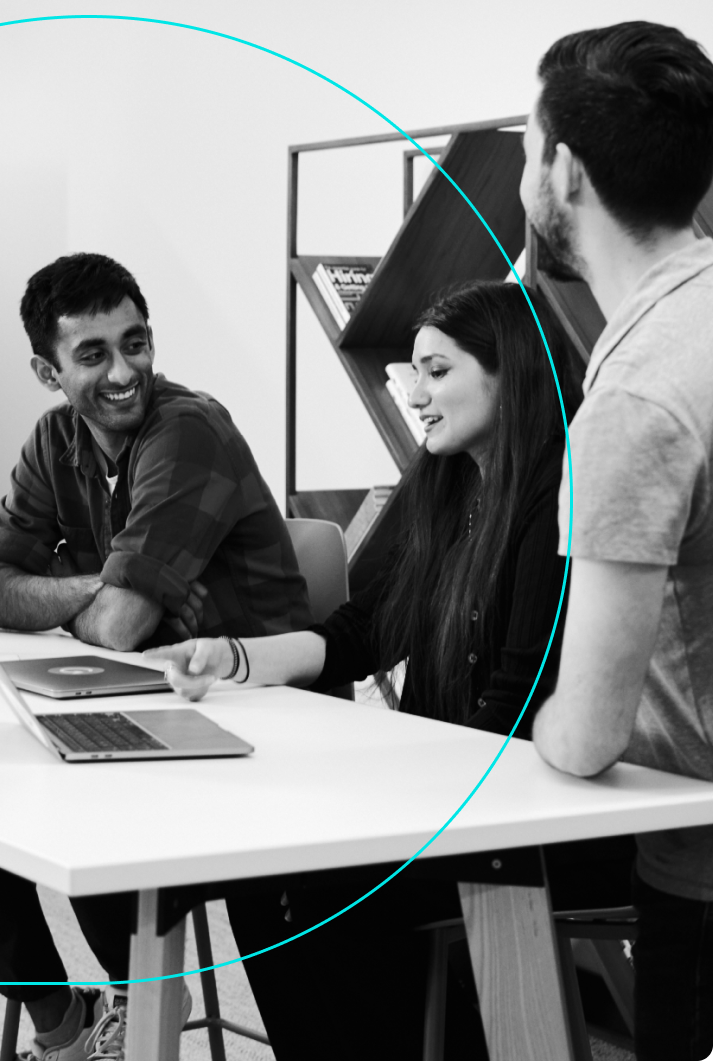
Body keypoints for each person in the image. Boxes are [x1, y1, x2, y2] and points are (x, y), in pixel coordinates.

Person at [152, 281, 631, 1059]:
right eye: (415, 375)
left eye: (437, 372)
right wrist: (232, 659)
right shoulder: (443, 480)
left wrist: (394, 795)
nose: (417, 396)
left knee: (312, 891)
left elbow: (516, 702)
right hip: (448, 797)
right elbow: (361, 632)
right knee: (259, 879)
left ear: (508, 370)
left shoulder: (560, 484)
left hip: (532, 817)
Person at [0, 252, 312, 1060]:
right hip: (149, 706)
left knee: (77, 811)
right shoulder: (54, 438)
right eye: (93, 354)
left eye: (134, 343)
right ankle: (62, 1025)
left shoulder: (189, 430)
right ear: (47, 369)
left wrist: (102, 602)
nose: (123, 372)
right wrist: (96, 587)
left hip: (265, 733)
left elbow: (118, 629)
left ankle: (146, 1009)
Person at [523, 21, 713, 1061]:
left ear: (566, 171)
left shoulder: (639, 393)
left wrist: (547, 730)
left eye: (525, 147)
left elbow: (590, 730)